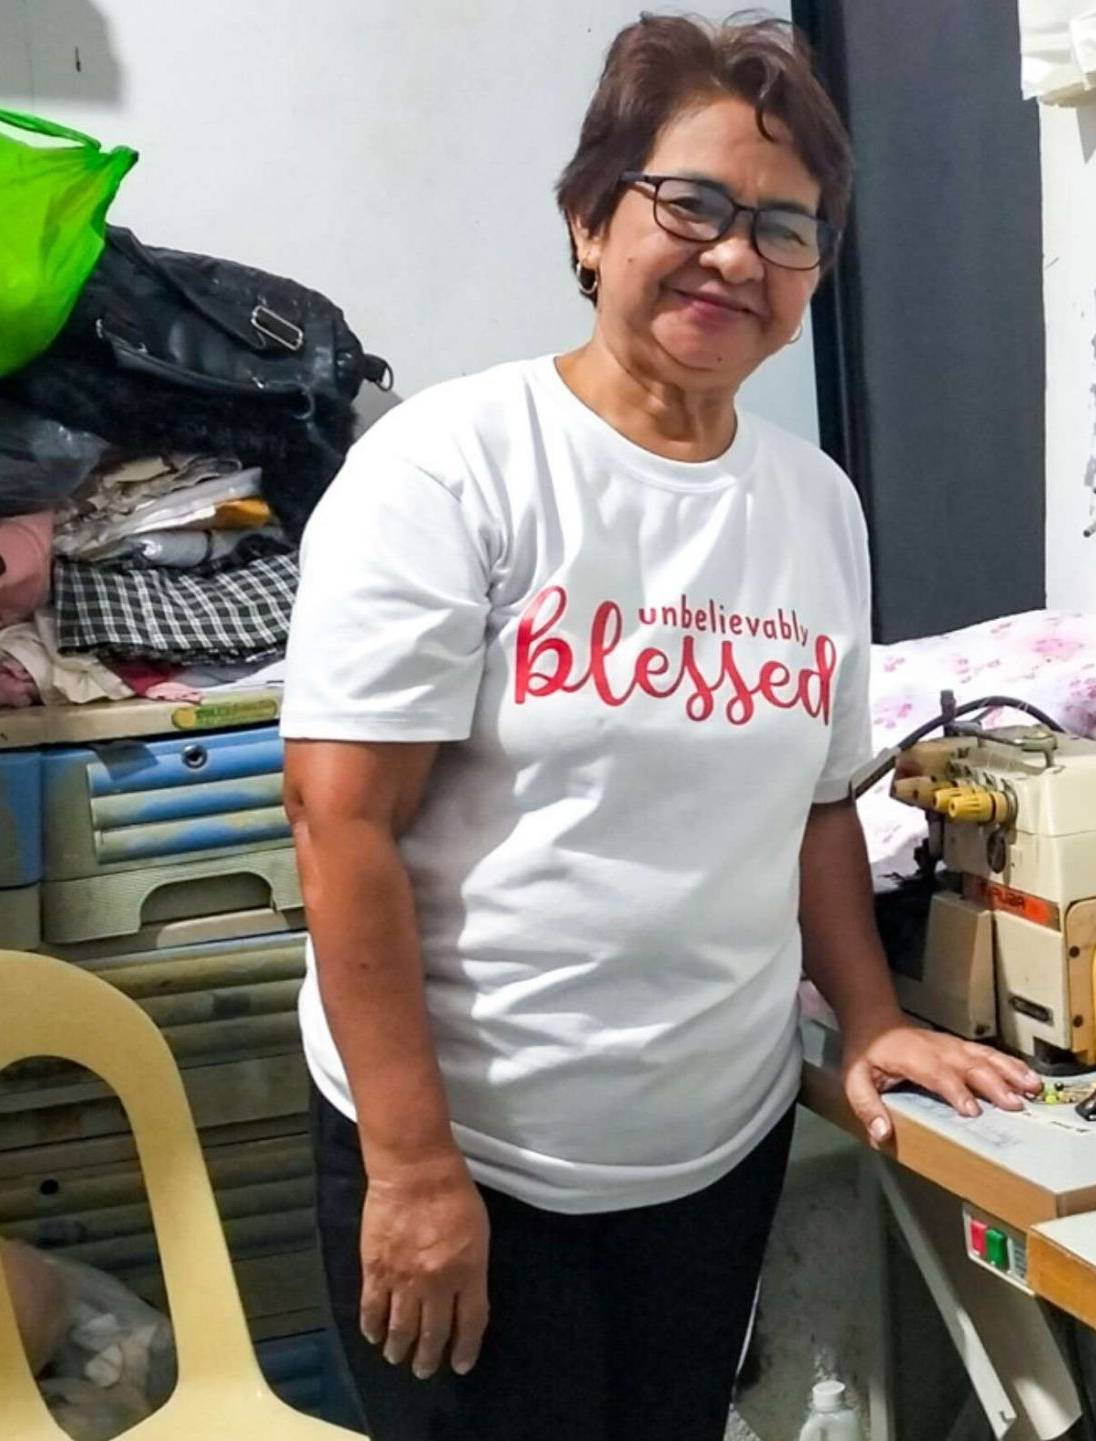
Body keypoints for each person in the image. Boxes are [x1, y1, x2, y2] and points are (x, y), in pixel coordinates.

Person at [280, 16, 1039, 1437]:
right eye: (689, 204)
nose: (735, 256)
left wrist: (869, 1019)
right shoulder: (452, 467)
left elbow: (815, 804)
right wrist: (412, 1165)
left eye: (785, 228)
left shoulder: (813, 503)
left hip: (707, 1149)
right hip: (475, 1158)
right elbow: (340, 819)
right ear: (588, 220)